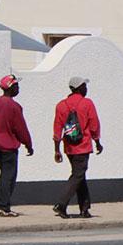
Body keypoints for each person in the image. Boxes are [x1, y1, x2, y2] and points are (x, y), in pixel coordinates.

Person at [52, 76, 103, 219]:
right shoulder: (87, 104)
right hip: (83, 146)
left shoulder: (61, 105)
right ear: (79, 88)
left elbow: (57, 129)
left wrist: (57, 149)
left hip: (69, 147)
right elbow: (94, 125)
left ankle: (84, 208)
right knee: (78, 175)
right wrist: (97, 141)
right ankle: (61, 204)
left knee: (80, 175)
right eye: (84, 86)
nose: (86, 89)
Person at [0, 74, 32, 217]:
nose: (18, 88)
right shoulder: (14, 106)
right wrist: (28, 144)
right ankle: (4, 206)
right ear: (11, 88)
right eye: (16, 85)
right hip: (9, 147)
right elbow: (21, 128)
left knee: (4, 175)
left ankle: (1, 203)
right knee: (8, 177)